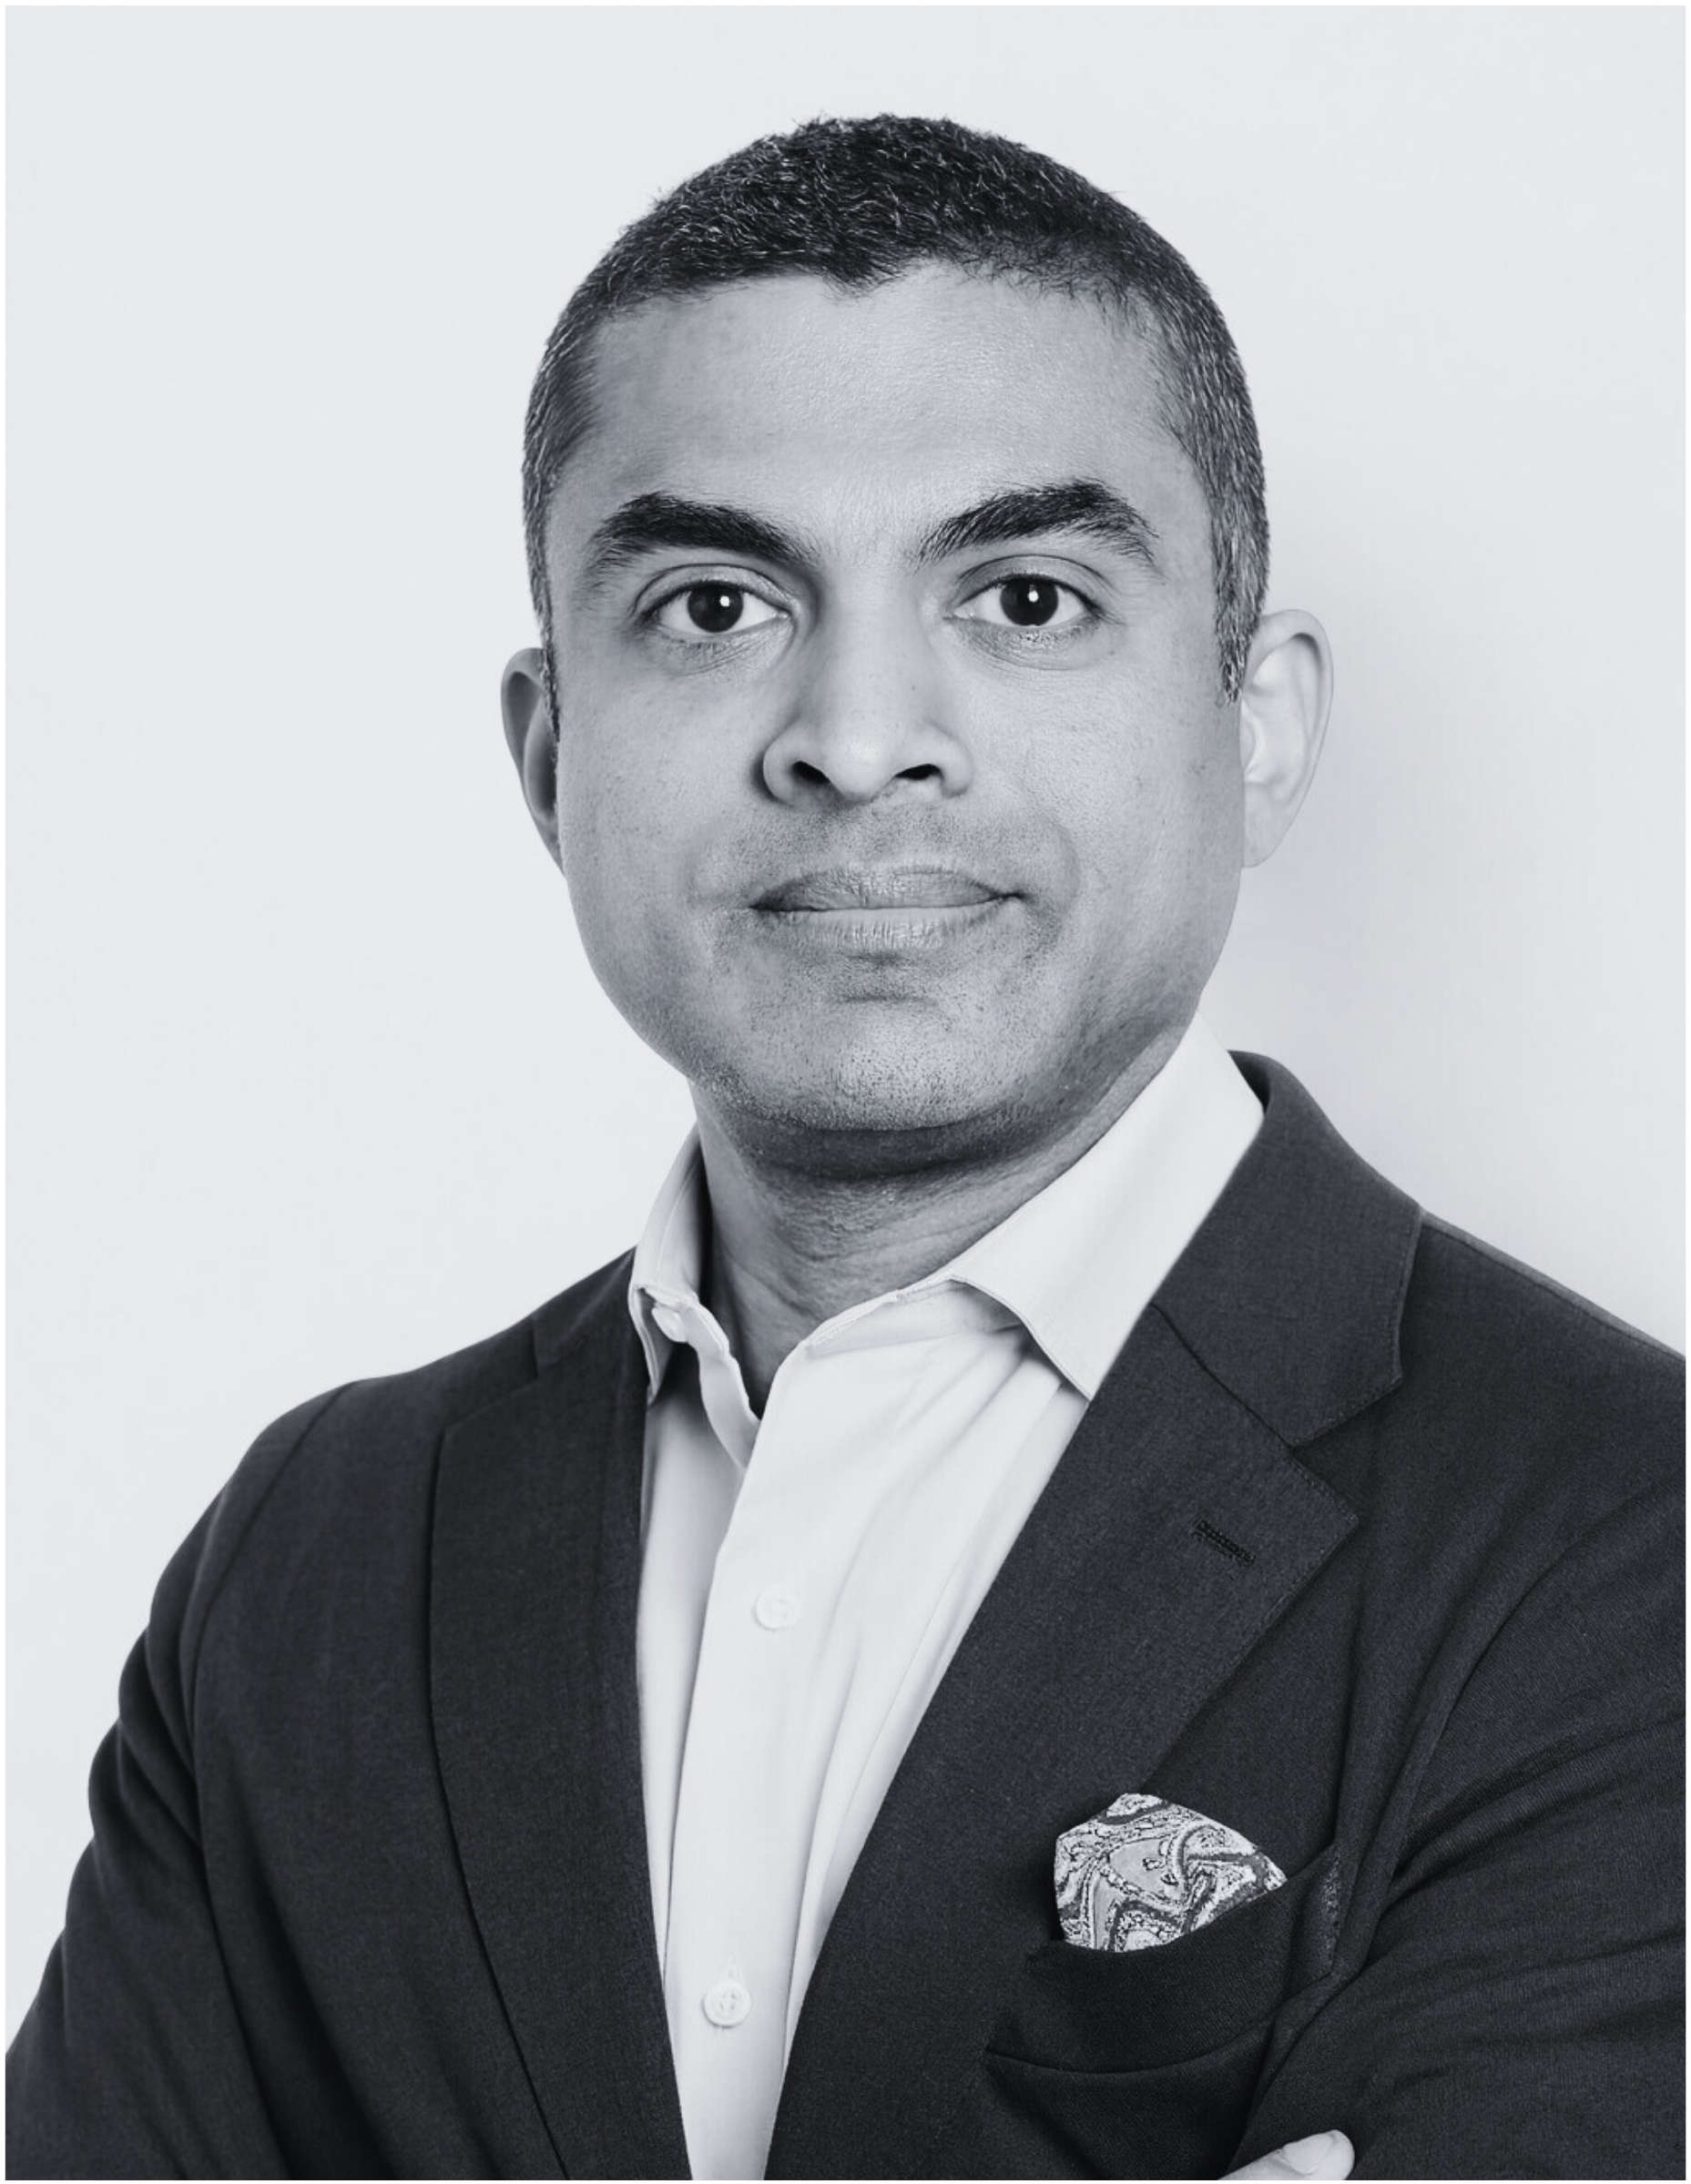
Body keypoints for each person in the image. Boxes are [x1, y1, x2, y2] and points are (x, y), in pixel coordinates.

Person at [5, 115, 1681, 2184]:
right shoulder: (315, 1557)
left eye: (1028, 596)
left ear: (1258, 725)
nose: (861, 735)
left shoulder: (1632, 1549)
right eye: (715, 603)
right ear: (549, 753)